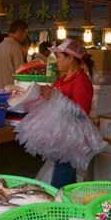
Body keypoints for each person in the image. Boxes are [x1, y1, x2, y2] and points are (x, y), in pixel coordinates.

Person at [40, 39, 95, 188]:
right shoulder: (61, 80)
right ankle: (72, 209)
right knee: (68, 184)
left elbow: (81, 114)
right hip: (61, 139)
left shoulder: (81, 82)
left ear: (70, 58)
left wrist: (55, 97)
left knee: (59, 185)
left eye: (59, 57)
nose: (56, 61)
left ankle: (58, 211)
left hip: (71, 142)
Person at [0, 19, 27, 89]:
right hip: (12, 91)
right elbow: (20, 73)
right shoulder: (17, 47)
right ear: (19, 31)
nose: (24, 37)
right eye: (25, 33)